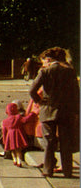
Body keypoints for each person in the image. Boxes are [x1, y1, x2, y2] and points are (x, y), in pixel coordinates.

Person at [29, 47, 80, 178]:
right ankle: (67, 171)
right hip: (66, 111)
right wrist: (76, 110)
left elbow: (32, 90)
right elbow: (76, 93)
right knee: (65, 142)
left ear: (49, 59)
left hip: (48, 110)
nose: (43, 64)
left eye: (44, 61)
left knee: (49, 142)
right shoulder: (70, 71)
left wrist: (39, 101)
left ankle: (48, 170)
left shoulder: (45, 71)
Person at [2, 102, 36, 167]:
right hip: (17, 135)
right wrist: (32, 114)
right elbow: (25, 120)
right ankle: (19, 161)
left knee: (13, 150)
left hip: (10, 136)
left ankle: (14, 160)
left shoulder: (5, 121)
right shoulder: (18, 117)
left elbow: (4, 132)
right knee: (18, 149)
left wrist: (5, 141)